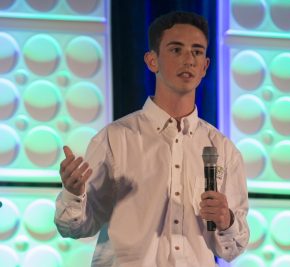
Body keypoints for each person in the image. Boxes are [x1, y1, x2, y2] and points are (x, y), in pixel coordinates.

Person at [54, 11, 249, 267]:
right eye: (176, 50)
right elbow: (74, 228)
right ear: (152, 61)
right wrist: (73, 192)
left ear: (205, 67)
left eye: (197, 51)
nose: (188, 60)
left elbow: (232, 249)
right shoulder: (115, 139)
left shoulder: (223, 149)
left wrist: (227, 221)